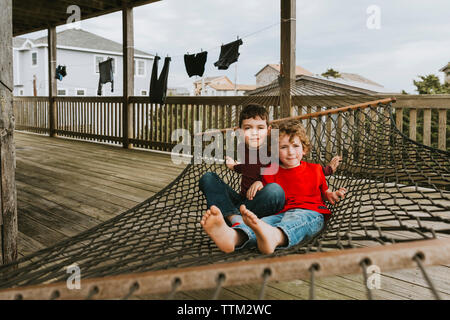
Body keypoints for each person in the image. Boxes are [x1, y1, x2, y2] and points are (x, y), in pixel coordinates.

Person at [200, 120, 346, 254]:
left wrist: (332, 195)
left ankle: (275, 237)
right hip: (279, 213)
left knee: (295, 221)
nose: (290, 151)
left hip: (309, 212)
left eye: (295, 146)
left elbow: (325, 192)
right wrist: (259, 183)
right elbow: (267, 190)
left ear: (304, 149)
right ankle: (233, 237)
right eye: (284, 147)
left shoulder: (315, 169)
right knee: (259, 225)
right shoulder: (271, 170)